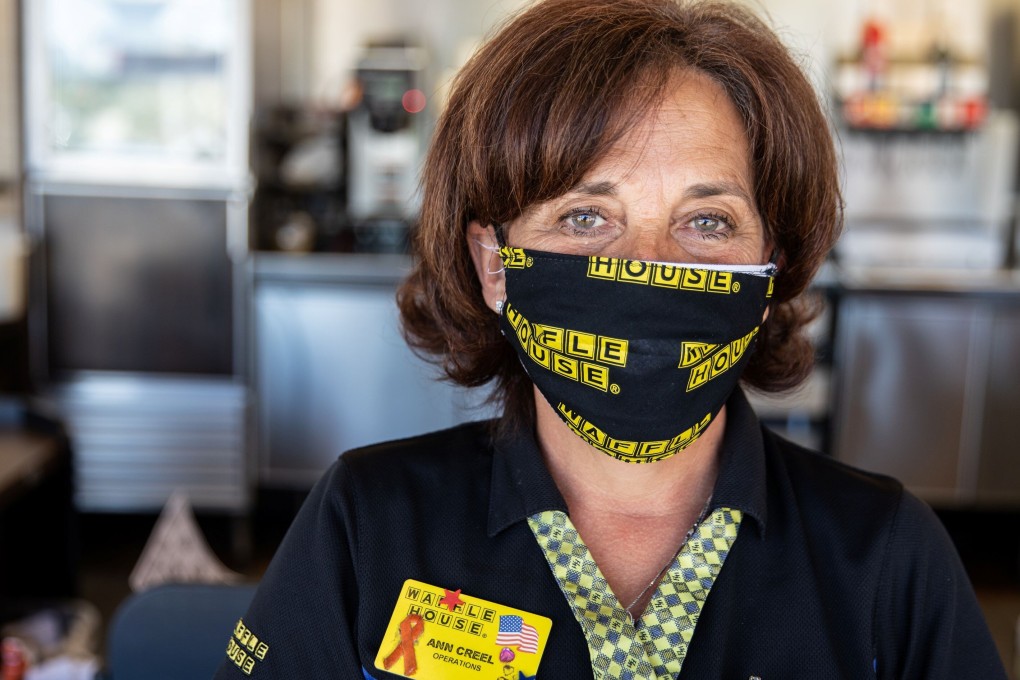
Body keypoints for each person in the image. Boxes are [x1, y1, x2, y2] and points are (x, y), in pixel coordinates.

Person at [216, 0, 1007, 678]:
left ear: (771, 272)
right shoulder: (367, 527)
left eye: (707, 222)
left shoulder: (888, 561)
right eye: (585, 216)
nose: (647, 267)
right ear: (496, 265)